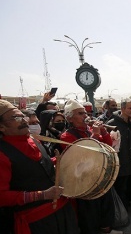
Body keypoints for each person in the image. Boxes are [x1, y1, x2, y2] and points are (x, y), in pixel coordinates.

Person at [0, 99, 79, 234]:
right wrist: (42, 195)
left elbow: (38, 166)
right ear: (1, 127)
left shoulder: (33, 140)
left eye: (22, 116)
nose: (24, 121)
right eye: (16, 118)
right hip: (37, 222)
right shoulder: (2, 153)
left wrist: (64, 158)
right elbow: (2, 196)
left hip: (62, 210)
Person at [60, 100, 120, 234]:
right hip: (84, 182)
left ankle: (107, 229)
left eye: (85, 113)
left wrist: (104, 132)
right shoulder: (66, 136)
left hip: (100, 175)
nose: (85, 116)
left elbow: (108, 146)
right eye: (80, 113)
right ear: (70, 118)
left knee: (106, 206)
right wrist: (96, 134)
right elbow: (83, 155)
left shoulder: (89, 129)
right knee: (90, 214)